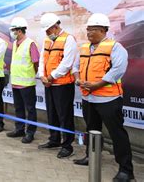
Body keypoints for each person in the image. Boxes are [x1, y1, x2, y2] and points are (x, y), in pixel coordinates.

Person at [73, 13, 134, 182]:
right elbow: (76, 66)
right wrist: (78, 79)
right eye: (88, 29)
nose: (89, 33)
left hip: (109, 99)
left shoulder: (115, 47)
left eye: (92, 30)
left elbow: (118, 70)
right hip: (88, 98)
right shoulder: (84, 47)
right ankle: (91, 157)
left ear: (102, 30)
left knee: (117, 134)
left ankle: (126, 170)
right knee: (92, 130)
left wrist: (97, 85)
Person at [38, 13, 77, 158]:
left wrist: (51, 76)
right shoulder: (47, 40)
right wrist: (42, 75)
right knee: (52, 113)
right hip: (49, 84)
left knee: (64, 115)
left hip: (63, 85)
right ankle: (54, 139)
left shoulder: (69, 39)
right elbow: (43, 59)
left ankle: (67, 145)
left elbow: (67, 63)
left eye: (48, 30)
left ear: (55, 27)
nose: (47, 33)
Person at [6, 17, 39, 144]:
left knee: (30, 109)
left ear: (19, 31)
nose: (12, 32)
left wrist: (31, 74)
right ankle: (19, 129)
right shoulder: (15, 44)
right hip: (16, 82)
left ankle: (30, 132)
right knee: (18, 107)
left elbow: (36, 62)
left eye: (13, 30)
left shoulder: (30, 43)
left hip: (27, 83)